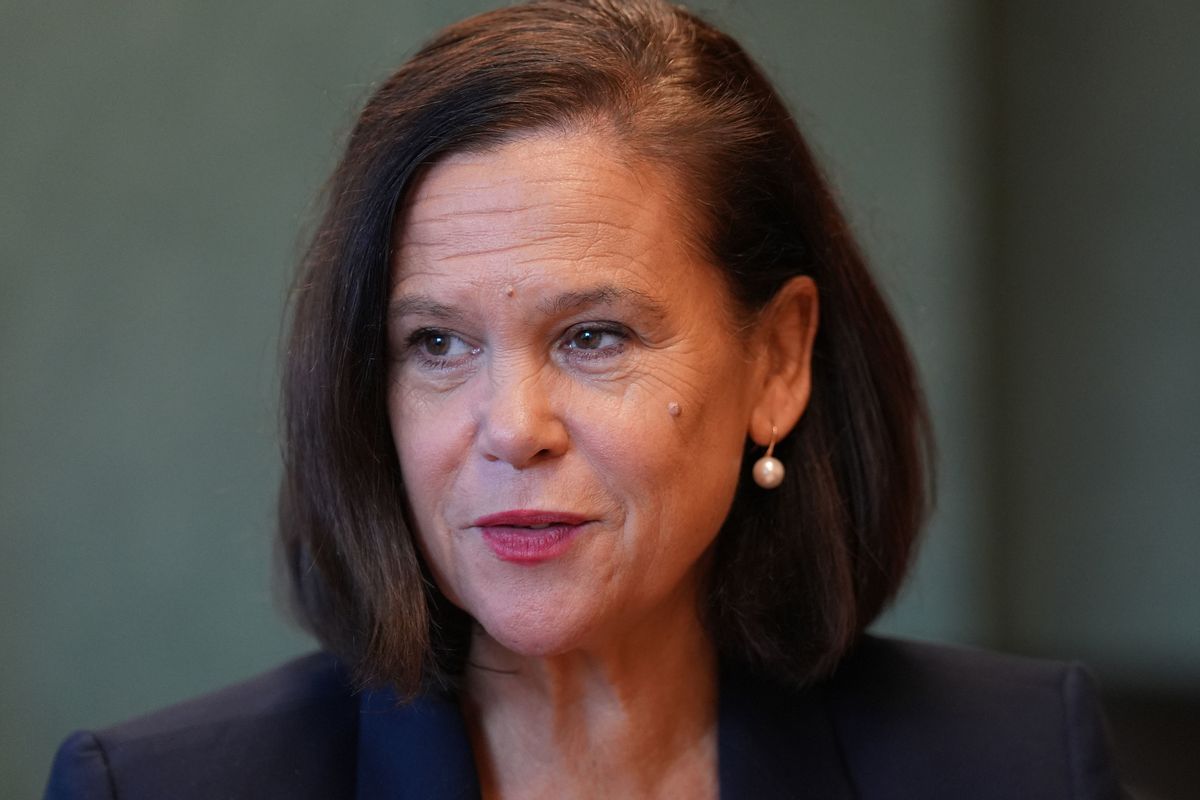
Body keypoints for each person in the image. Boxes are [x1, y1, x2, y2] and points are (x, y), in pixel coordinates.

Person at [44, 1, 1124, 797]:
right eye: (435, 342)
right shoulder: (149, 787)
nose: (513, 426)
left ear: (777, 362)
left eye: (594, 335)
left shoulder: (1022, 759)